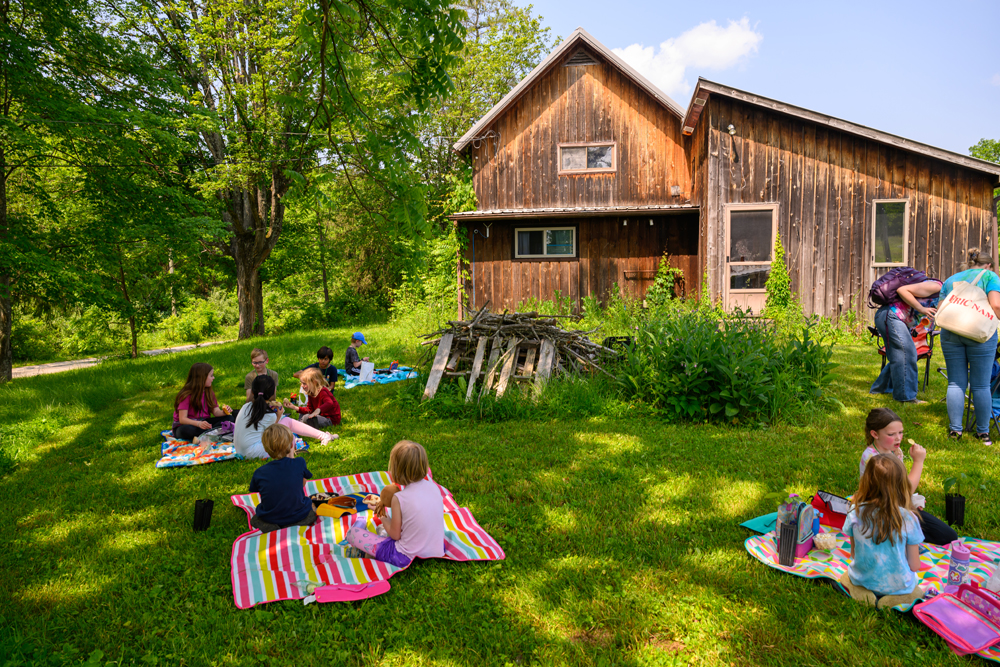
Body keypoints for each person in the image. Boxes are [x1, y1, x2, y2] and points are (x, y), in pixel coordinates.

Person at [840, 453, 925, 609]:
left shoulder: (855, 512)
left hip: (862, 579)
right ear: (901, 485)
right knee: (916, 589)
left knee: (846, 577)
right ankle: (893, 600)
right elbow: (914, 565)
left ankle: (862, 593)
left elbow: (853, 554)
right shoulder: (908, 518)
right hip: (898, 586)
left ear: (866, 482)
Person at [860, 408, 957, 545]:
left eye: (900, 432)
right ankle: (898, 536)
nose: (898, 438)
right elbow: (905, 490)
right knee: (945, 536)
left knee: (949, 536)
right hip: (881, 513)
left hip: (896, 506)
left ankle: (904, 535)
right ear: (875, 434)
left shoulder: (893, 451)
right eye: (891, 434)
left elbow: (900, 486)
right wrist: (918, 462)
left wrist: (911, 502)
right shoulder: (875, 459)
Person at [345, 440, 444, 567]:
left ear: (397, 470)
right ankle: (379, 539)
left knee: (353, 534)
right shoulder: (434, 487)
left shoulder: (399, 498)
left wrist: (381, 514)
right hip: (435, 550)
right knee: (384, 531)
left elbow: (395, 535)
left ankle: (366, 554)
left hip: (404, 557)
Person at [939, 248, 1000, 444]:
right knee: (980, 384)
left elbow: (941, 307)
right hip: (979, 334)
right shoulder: (991, 276)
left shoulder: (952, 279)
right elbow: (996, 305)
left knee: (955, 383)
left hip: (951, 332)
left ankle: (955, 431)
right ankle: (983, 433)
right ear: (988, 265)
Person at [869, 272, 942, 404]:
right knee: (907, 354)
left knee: (898, 356)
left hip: (890, 317)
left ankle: (880, 388)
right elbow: (902, 290)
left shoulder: (946, 298)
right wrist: (922, 309)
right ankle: (906, 398)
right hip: (892, 316)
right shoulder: (938, 287)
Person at [234, 375, 337, 459]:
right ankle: (323, 436)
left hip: (240, 449)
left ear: (253, 392)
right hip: (253, 453)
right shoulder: (269, 415)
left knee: (285, 421)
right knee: (286, 421)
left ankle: (323, 436)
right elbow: (272, 432)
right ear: (272, 392)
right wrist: (278, 415)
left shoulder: (246, 406)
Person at [247, 424, 317, 533]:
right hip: (298, 516)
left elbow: (258, 489)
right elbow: (302, 484)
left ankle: (274, 527)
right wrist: (292, 457)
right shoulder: (299, 462)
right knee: (310, 509)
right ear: (291, 446)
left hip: (270, 518)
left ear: (265, 448)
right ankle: (292, 524)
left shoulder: (259, 472)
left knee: (257, 517)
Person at [172, 363, 232, 441]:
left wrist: (224, 412)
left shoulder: (209, 392)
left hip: (204, 423)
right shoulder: (186, 395)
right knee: (186, 430)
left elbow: (216, 412)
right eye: (211, 376)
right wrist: (198, 424)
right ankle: (212, 433)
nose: (213, 378)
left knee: (229, 418)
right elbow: (182, 419)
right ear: (202, 378)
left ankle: (206, 435)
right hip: (187, 425)